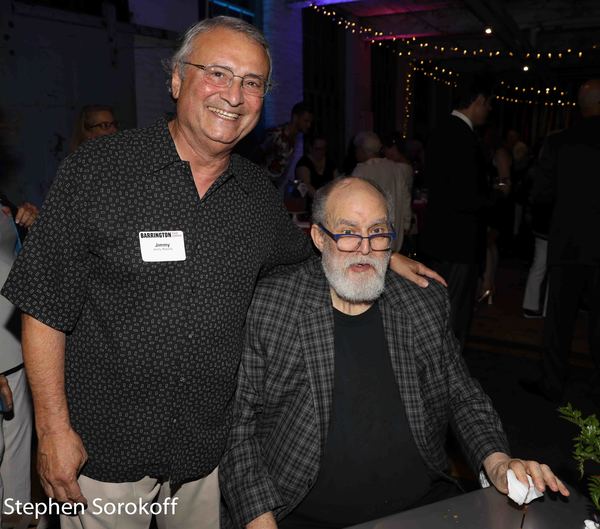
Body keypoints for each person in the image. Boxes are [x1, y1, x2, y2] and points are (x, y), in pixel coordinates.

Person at [1, 16, 444, 529]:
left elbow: (308, 256)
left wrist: (380, 254)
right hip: (105, 453)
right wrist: (54, 432)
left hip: (204, 458)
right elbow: (44, 305)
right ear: (175, 80)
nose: (233, 95)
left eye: (251, 82)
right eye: (217, 72)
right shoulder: (100, 169)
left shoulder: (256, 196)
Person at [219, 177, 569, 529]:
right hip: (301, 514)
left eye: (377, 232)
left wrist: (497, 461)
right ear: (319, 237)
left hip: (421, 507)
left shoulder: (422, 301)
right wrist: (259, 520)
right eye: (348, 232)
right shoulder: (271, 305)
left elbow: (461, 394)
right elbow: (237, 428)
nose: (365, 248)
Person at [521, 79, 600, 405]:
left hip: (567, 243)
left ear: (580, 106)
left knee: (559, 321)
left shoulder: (560, 143)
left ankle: (553, 382)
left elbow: (541, 195)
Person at [419, 75, 493, 349]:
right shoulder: (463, 137)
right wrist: (493, 198)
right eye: (489, 104)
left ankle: (438, 368)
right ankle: (449, 377)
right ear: (478, 101)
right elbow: (465, 195)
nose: (490, 110)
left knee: (439, 312)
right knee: (455, 315)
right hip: (459, 241)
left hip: (441, 238)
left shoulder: (440, 130)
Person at [0, 192, 37, 528]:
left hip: (15, 344)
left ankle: (16, 513)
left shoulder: (4, 201)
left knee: (16, 444)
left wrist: (31, 225)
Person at [352, 131, 412, 252]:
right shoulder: (395, 168)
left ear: (362, 150)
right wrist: (406, 223)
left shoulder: (360, 171)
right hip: (394, 230)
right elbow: (406, 198)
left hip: (371, 232)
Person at [260, 102, 313, 189]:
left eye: (310, 122)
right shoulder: (276, 134)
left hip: (272, 187)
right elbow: (256, 155)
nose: (309, 125)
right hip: (260, 184)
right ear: (295, 117)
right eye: (306, 121)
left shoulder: (294, 138)